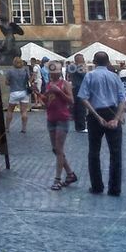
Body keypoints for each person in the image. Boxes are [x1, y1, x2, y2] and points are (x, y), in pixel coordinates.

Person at [78, 51, 126, 197]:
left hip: (95, 114)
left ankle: (97, 186)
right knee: (116, 153)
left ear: (94, 61)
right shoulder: (114, 76)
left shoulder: (90, 76)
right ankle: (114, 189)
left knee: (94, 151)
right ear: (108, 62)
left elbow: (83, 98)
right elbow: (122, 100)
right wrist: (117, 118)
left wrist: (97, 116)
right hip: (112, 112)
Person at [45, 62, 77, 190]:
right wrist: (39, 94)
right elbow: (47, 101)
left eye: (55, 72)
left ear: (59, 72)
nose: (53, 74)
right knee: (55, 149)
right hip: (51, 118)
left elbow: (71, 101)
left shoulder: (65, 84)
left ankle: (57, 179)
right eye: (51, 72)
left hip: (62, 119)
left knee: (59, 149)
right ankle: (70, 174)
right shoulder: (48, 84)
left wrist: (59, 92)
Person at [6, 57, 32, 132]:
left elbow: (7, 82)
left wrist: (11, 83)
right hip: (24, 92)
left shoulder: (10, 71)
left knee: (10, 110)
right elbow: (29, 81)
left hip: (14, 92)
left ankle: (7, 127)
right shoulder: (25, 71)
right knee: (24, 111)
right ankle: (24, 128)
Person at [69, 54, 88, 132]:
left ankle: (78, 126)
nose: (83, 59)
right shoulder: (78, 67)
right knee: (81, 108)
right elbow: (85, 75)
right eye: (82, 58)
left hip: (75, 88)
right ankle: (81, 127)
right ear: (78, 59)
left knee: (77, 108)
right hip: (80, 88)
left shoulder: (71, 67)